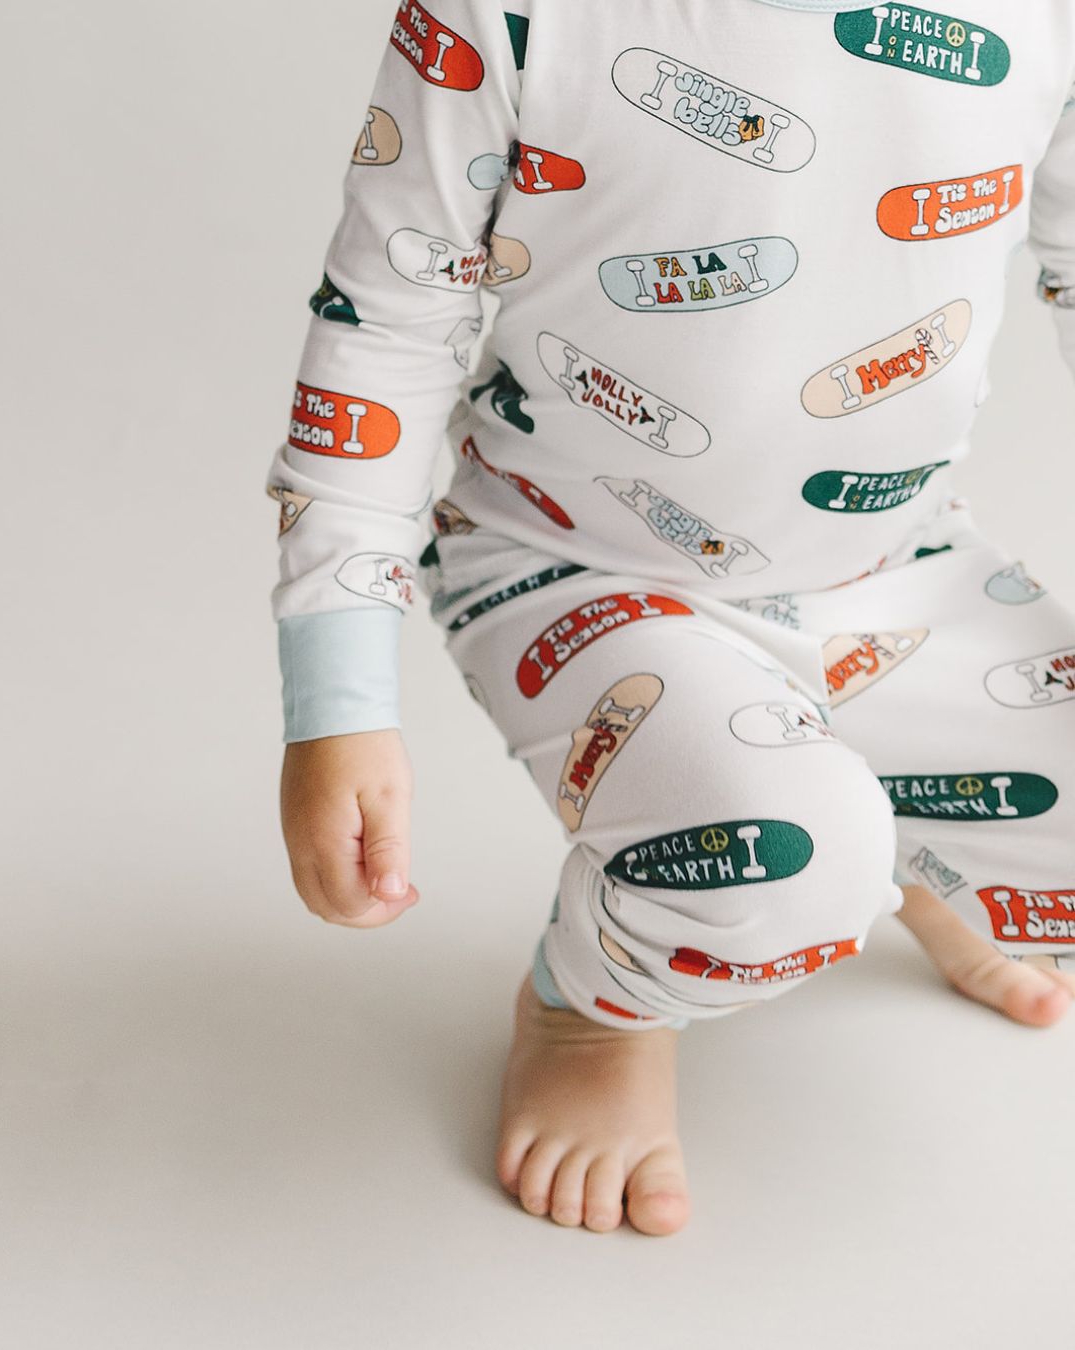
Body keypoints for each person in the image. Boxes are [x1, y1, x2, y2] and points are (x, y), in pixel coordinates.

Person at [265, 0, 1075, 1236]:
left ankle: (910, 840)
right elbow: (383, 328)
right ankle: (595, 1009)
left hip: (898, 568)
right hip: (575, 572)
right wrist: (339, 701)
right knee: (787, 865)